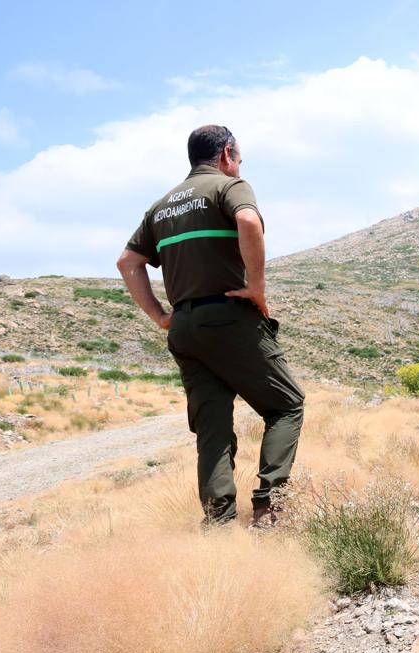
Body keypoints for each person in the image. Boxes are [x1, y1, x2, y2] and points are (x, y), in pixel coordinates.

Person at [116, 125, 305, 528]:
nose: (238, 166)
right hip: (228, 317)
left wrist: (161, 317)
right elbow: (249, 223)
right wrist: (256, 288)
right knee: (286, 404)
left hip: (184, 328)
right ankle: (269, 507)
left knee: (212, 427)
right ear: (226, 153)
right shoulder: (227, 187)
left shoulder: (161, 206)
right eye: (238, 159)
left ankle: (218, 521)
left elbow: (127, 263)